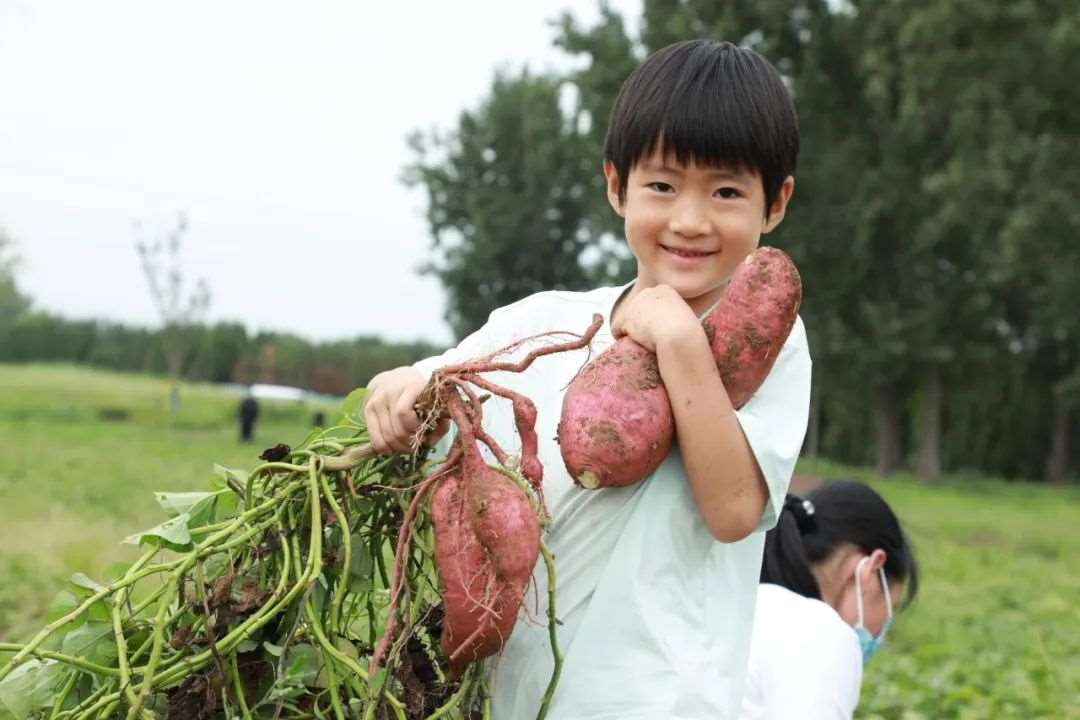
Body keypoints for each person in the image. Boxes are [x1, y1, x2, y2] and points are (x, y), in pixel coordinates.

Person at [364, 39, 809, 718]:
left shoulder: (766, 339)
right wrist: (396, 387)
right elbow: (428, 387)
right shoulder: (540, 324)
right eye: (661, 186)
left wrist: (682, 345)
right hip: (515, 699)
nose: (690, 220)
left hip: (660, 702)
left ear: (774, 203)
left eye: (725, 192)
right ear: (615, 185)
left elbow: (734, 511)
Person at [740, 481, 919, 720]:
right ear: (870, 569)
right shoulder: (820, 633)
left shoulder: (745, 607)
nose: (881, 632)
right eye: (891, 605)